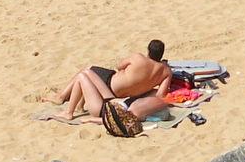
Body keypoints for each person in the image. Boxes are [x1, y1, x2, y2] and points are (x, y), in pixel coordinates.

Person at [40, 40, 171, 123]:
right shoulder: (165, 72)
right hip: (123, 97)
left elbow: (119, 66)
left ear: (148, 51)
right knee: (86, 75)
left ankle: (62, 98)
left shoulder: (138, 58)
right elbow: (161, 95)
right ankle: (78, 106)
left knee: (87, 71)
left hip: (110, 86)